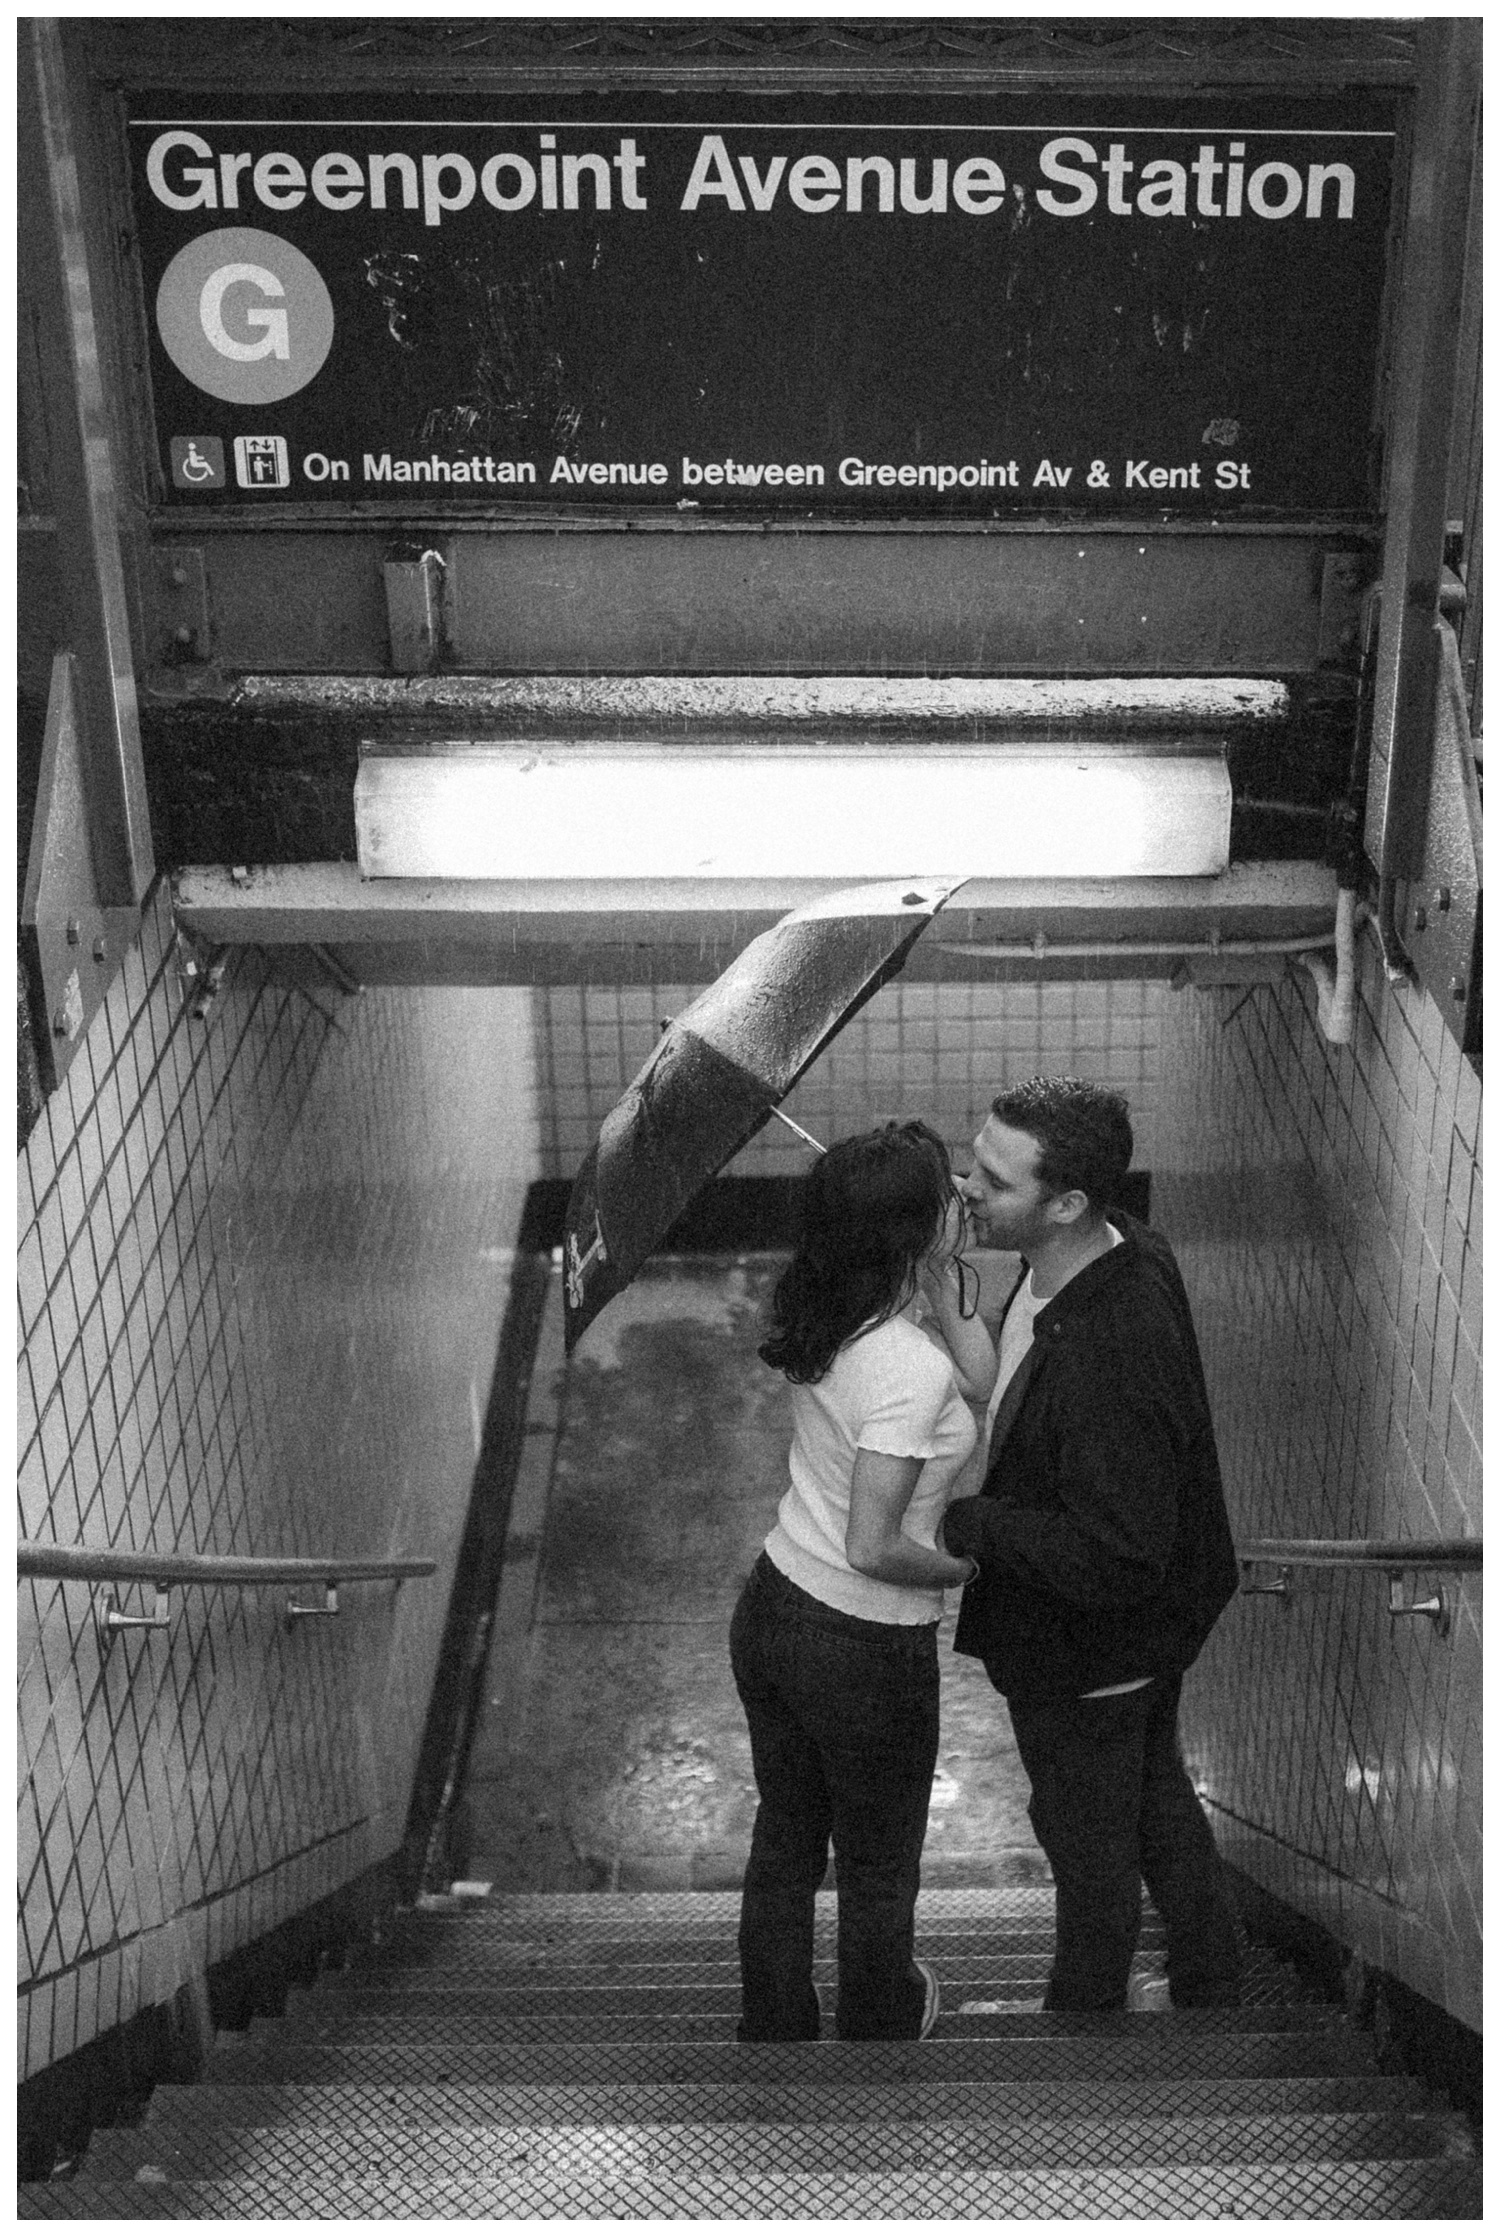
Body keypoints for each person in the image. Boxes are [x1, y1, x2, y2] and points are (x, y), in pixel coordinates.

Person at [941, 1075, 1242, 2012]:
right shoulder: (1114, 1246)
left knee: (1085, 1840)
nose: (964, 1190)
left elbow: (1116, 1552)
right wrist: (951, 1294)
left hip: (1094, 1649)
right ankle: (1210, 1978)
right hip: (1150, 1631)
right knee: (1153, 1799)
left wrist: (970, 1521)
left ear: (1066, 1201)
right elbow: (1021, 1351)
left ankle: (1084, 2016)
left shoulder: (1111, 1353)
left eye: (992, 1181)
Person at [731, 1120, 996, 2040]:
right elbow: (876, 1545)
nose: (967, 1191)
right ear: (910, 1232)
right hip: (859, 1643)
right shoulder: (903, 1366)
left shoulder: (838, 1308)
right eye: (948, 1192)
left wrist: (942, 1276)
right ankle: (879, 2025)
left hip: (773, 1605)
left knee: (787, 1836)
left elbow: (976, 1379)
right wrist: (964, 1567)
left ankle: (774, 2026)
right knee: (879, 1863)